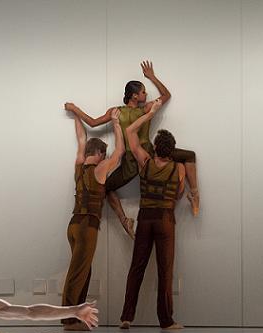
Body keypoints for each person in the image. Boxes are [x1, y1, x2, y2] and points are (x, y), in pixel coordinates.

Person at [65, 60, 199, 239]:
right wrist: (75, 109)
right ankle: (126, 220)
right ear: (135, 96)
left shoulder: (130, 110)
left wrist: (74, 109)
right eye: (143, 91)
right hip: (140, 158)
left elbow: (92, 122)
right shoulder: (139, 110)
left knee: (187, 157)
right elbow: (93, 123)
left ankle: (193, 196)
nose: (146, 94)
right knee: (107, 188)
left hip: (142, 156)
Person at [119, 99, 184, 330]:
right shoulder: (179, 168)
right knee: (165, 271)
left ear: (155, 147)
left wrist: (150, 113)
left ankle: (126, 317)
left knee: (137, 267)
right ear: (171, 150)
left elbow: (129, 132)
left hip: (145, 218)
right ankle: (166, 321)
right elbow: (179, 194)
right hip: (165, 219)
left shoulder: (145, 162)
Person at [61, 108, 124, 331]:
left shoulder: (79, 164)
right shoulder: (100, 168)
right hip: (87, 226)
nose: (104, 159)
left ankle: (76, 316)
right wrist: (116, 122)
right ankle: (69, 320)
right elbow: (120, 152)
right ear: (98, 153)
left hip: (73, 225)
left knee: (84, 271)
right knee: (77, 274)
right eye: (103, 155)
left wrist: (76, 114)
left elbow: (81, 138)